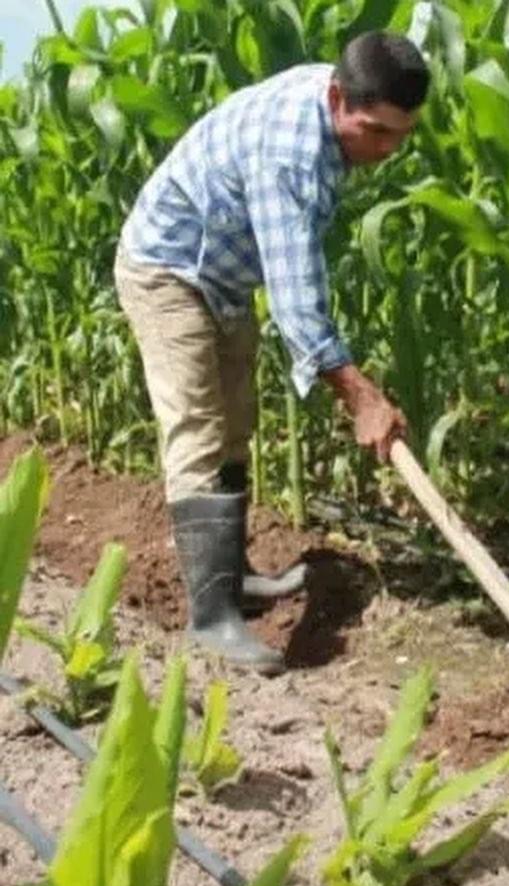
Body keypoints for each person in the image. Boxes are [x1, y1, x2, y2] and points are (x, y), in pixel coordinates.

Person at [114, 31, 430, 675]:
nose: (386, 150)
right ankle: (211, 620)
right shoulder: (289, 151)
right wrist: (361, 396)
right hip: (167, 269)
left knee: (236, 423)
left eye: (400, 135)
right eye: (375, 132)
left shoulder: (336, 105)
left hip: (225, 276)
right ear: (338, 98)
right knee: (198, 428)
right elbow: (295, 297)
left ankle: (233, 578)